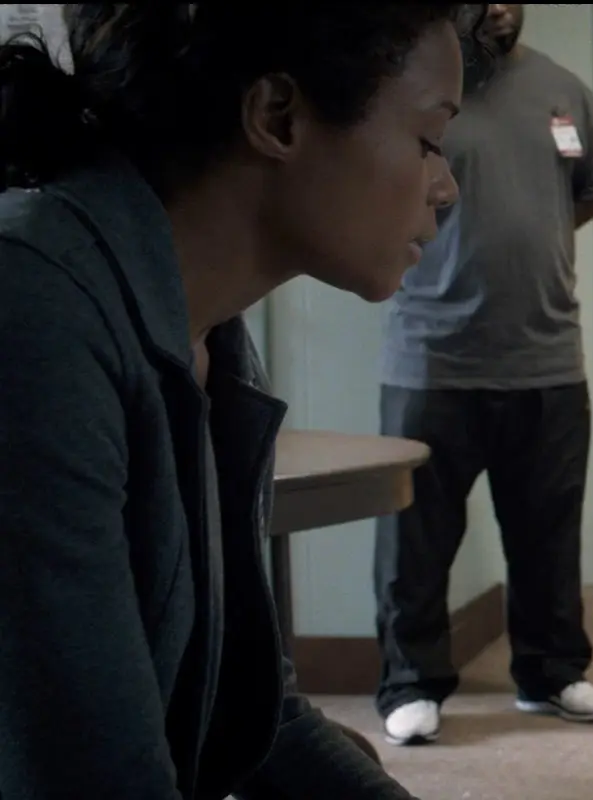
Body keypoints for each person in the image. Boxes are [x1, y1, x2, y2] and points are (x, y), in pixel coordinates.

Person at [0, 4, 482, 797]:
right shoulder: (34, 308)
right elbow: (91, 773)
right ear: (278, 116)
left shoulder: (209, 333)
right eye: (429, 140)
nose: (446, 186)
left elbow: (250, 713)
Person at [373, 2, 593, 745]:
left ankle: (550, 674)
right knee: (415, 545)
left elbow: (592, 189)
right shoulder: (414, 89)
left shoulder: (564, 90)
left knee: (548, 537)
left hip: (547, 359)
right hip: (431, 361)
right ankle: (410, 683)